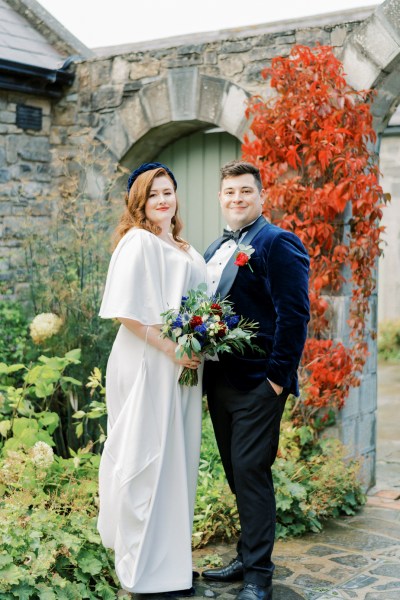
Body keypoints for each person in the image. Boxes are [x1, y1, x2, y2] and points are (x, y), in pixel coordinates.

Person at [97, 162, 206, 596]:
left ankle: (172, 564)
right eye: (153, 194)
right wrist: (171, 348)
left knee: (179, 458)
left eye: (168, 191)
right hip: (149, 360)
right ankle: (143, 568)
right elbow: (125, 310)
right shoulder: (137, 242)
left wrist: (202, 340)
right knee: (147, 456)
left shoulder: (183, 246)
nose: (163, 199)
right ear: (138, 202)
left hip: (183, 366)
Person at [202, 160, 310, 600]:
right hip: (219, 381)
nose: (237, 199)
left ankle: (259, 576)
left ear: (261, 196)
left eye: (245, 191)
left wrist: (277, 381)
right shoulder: (214, 248)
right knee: (235, 472)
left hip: (259, 384)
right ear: (221, 198)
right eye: (230, 192)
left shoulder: (278, 242)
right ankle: (247, 555)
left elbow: (295, 314)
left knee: (251, 471)